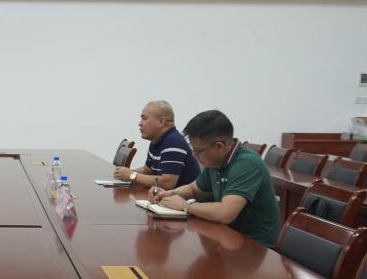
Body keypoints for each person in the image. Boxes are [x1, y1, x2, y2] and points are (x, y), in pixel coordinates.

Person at [153, 109, 281, 247]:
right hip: (228, 236)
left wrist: (185, 205)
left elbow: (225, 213)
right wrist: (170, 194)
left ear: (219, 146)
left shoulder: (246, 163)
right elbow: (194, 189)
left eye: (198, 151)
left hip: (255, 246)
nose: (195, 156)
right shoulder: (216, 161)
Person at [114, 100, 200, 191]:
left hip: (185, 198)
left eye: (144, 118)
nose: (140, 123)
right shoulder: (156, 140)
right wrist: (125, 173)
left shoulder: (173, 142)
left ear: (161, 122)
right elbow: (147, 170)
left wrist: (132, 175)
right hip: (166, 196)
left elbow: (168, 183)